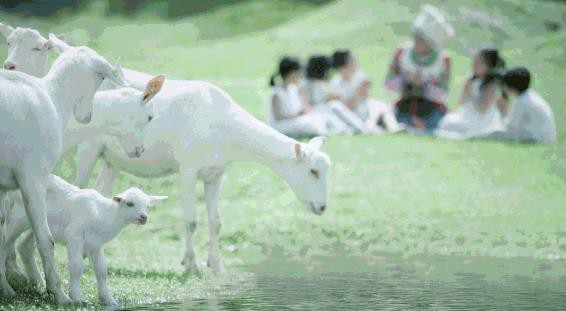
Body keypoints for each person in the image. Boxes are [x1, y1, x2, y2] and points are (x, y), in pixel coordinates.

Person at [385, 5, 454, 133]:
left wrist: (423, 86)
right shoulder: (401, 53)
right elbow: (388, 84)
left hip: (431, 111)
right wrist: (407, 81)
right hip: (404, 107)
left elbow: (443, 93)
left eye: (420, 39)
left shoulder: (444, 60)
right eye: (415, 37)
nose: (416, 41)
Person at [435, 48, 506, 139]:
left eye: (480, 63)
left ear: (489, 66)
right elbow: (461, 102)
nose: (475, 65)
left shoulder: (491, 84)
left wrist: (470, 95)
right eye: (475, 62)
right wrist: (466, 91)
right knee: (446, 123)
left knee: (466, 129)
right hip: (468, 113)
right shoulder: (470, 80)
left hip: (483, 117)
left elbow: (483, 108)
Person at [330, 49, 402, 133]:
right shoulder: (336, 82)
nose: (354, 63)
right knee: (376, 107)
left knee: (381, 106)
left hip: (364, 107)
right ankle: (371, 126)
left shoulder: (359, 75)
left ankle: (393, 127)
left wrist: (362, 91)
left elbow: (365, 96)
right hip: (351, 113)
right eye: (352, 61)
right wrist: (360, 90)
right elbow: (347, 105)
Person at [303, 55, 368, 134]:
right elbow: (310, 103)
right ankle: (343, 129)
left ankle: (360, 126)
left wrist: (330, 98)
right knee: (326, 110)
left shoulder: (319, 83)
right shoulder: (305, 83)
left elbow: (322, 99)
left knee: (335, 105)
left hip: (323, 107)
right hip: (314, 110)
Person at [489, 67, 556, 143]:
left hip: (537, 139)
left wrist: (503, 112)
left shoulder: (522, 101)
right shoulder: (529, 96)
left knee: (493, 133)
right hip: (545, 137)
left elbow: (511, 130)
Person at [267, 56, 327, 137]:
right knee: (308, 124)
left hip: (293, 121)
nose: (301, 77)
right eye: (299, 73)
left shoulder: (293, 89)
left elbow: (304, 108)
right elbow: (279, 117)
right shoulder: (276, 93)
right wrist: (298, 115)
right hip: (281, 126)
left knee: (318, 117)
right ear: (292, 74)